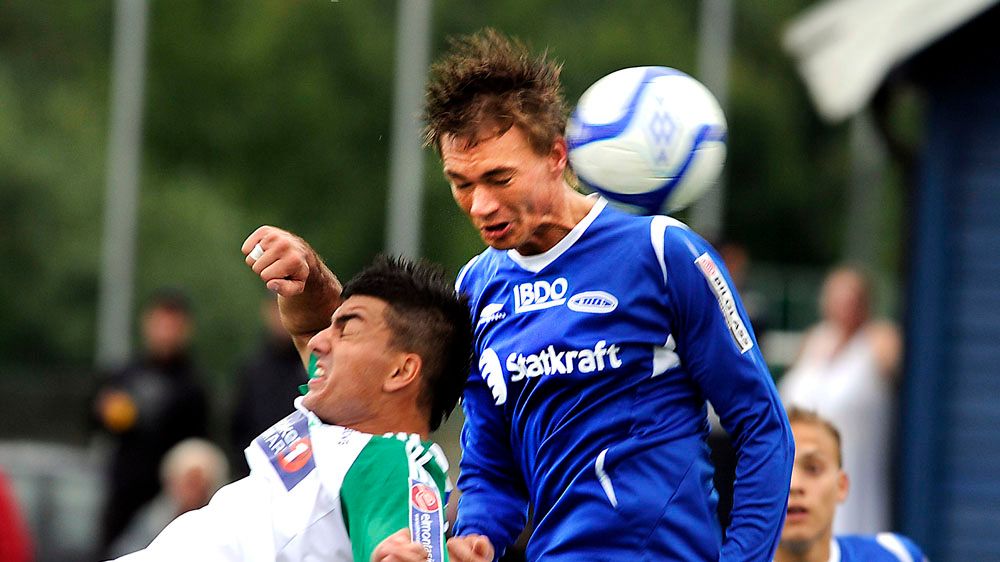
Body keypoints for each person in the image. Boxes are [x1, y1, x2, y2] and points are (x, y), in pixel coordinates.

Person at [263, 28, 794, 562]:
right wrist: (478, 535)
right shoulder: (476, 287)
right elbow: (491, 462)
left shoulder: (661, 252)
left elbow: (762, 426)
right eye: (461, 183)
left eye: (499, 178)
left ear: (557, 155)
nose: (480, 205)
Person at [112, 253, 472, 562]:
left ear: (401, 371)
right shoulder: (338, 423)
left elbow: (399, 540)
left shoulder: (390, 461)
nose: (318, 342)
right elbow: (306, 323)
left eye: (347, 330)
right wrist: (307, 268)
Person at [781, 266, 901, 534]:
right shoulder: (814, 339)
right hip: (799, 471)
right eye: (838, 296)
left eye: (852, 298)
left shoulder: (880, 342)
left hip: (855, 469)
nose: (845, 305)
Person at [93, 288, 209, 557]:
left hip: (170, 499)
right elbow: (93, 420)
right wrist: (104, 411)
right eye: (160, 323)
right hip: (124, 495)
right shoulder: (123, 375)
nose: (165, 332)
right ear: (147, 324)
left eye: (172, 325)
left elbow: (199, 446)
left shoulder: (194, 385)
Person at [777, 407, 927, 562]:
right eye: (777, 471)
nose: (794, 485)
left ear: (841, 486)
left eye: (813, 468)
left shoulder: (898, 554)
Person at [108, 438, 230, 557]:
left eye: (199, 482)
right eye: (189, 482)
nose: (194, 490)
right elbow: (127, 551)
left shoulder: (225, 520)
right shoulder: (154, 518)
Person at [229, 296, 308, 477]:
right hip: (259, 472)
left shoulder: (313, 363)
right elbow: (238, 427)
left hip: (306, 469)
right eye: (276, 309)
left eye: (288, 309)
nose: (281, 317)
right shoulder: (252, 369)